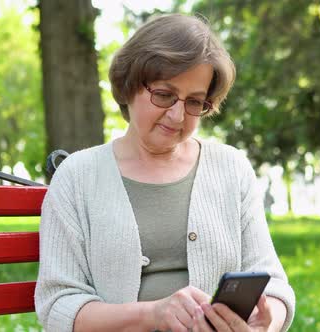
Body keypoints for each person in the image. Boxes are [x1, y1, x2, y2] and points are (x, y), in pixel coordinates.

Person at [35, 14, 295, 332]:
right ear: (129, 85)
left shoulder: (231, 168)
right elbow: (58, 305)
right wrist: (152, 315)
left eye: (195, 102)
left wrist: (267, 322)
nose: (176, 115)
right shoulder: (77, 177)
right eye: (164, 95)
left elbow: (274, 285)